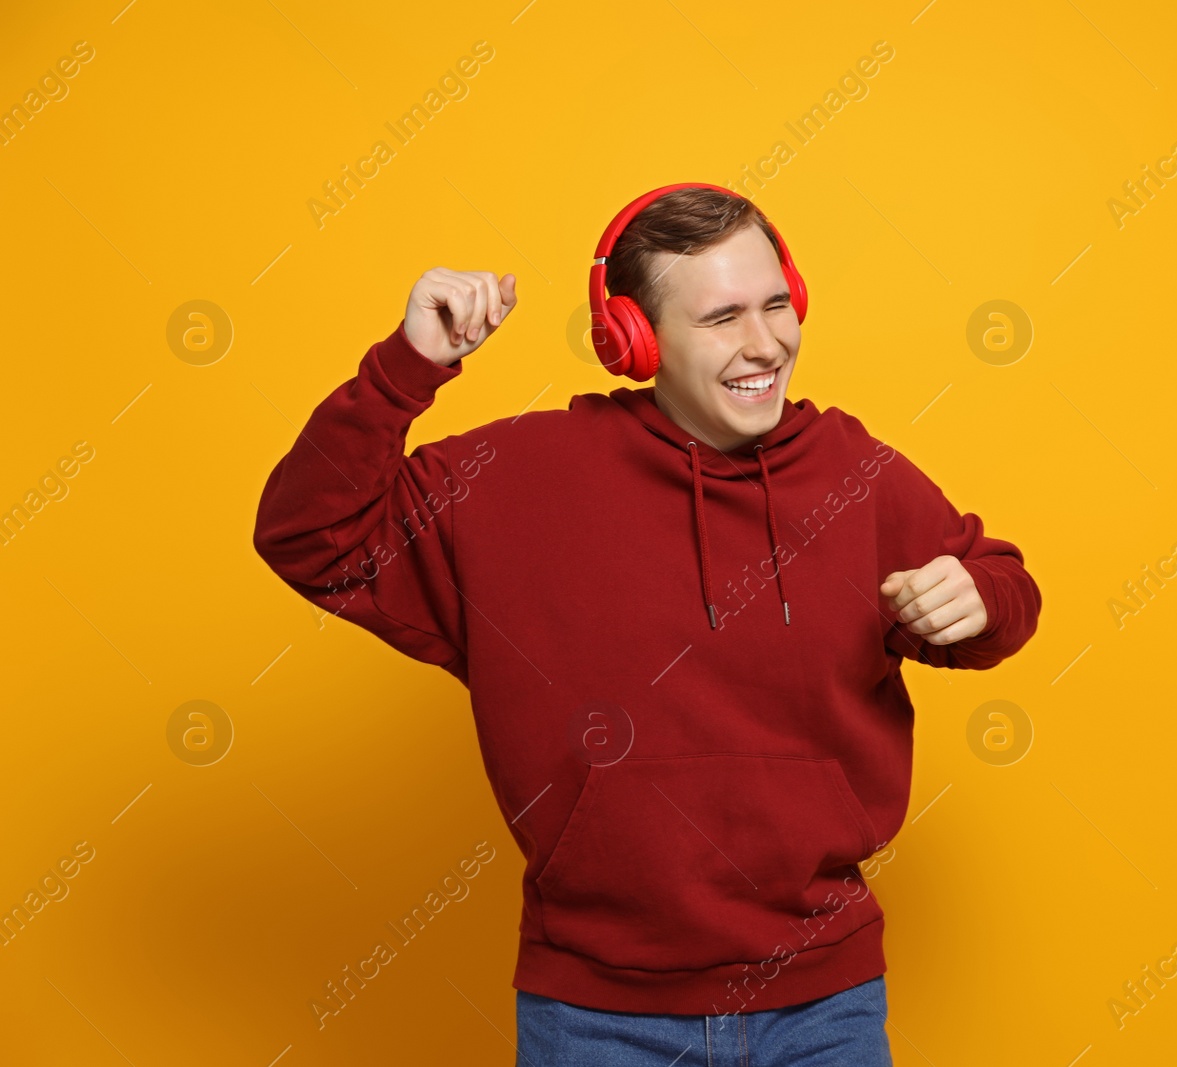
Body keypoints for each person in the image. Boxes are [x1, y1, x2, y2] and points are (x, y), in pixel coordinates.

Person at [252, 182, 1042, 1064]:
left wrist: (978, 598)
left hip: (824, 1003)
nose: (765, 343)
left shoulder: (857, 475)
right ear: (633, 340)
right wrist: (406, 368)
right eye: (722, 317)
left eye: (777, 304)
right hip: (596, 1016)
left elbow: (1002, 587)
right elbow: (311, 536)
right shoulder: (520, 479)